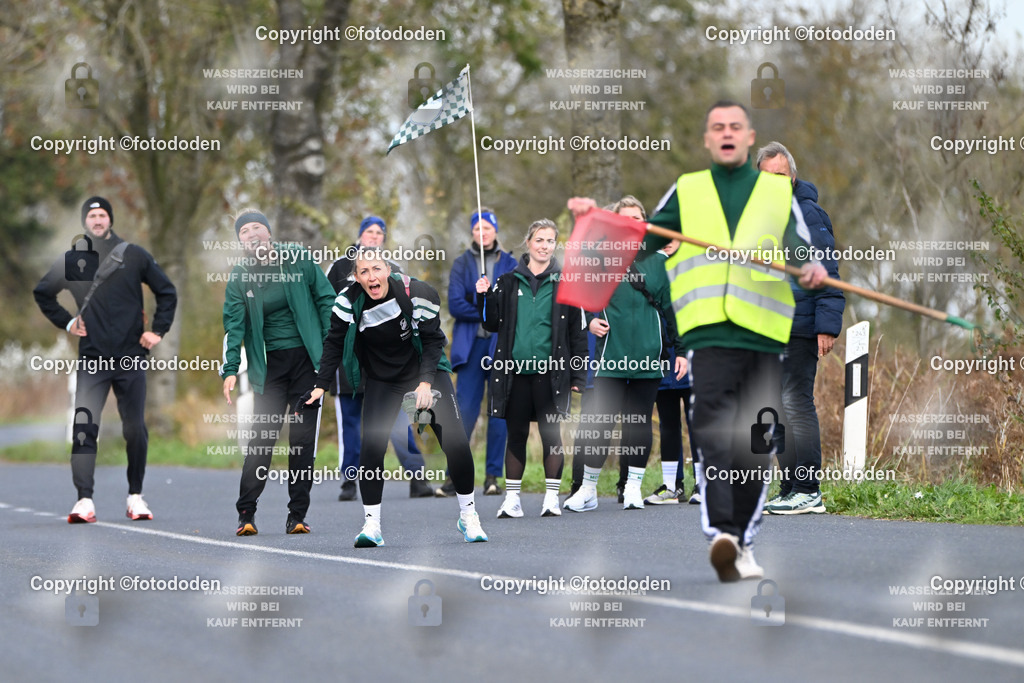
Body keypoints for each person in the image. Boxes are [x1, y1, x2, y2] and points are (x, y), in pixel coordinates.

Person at [570, 100, 827, 582]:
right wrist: (597, 225)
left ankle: (742, 538)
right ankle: (724, 534)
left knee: (756, 440)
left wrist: (810, 269)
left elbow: (800, 249)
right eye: (717, 127)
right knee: (711, 433)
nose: (726, 133)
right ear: (709, 140)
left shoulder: (775, 198)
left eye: (736, 126)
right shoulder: (688, 191)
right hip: (709, 334)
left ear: (748, 138)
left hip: (763, 334)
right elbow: (640, 239)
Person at [307, 247, 488, 546]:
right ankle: (372, 527)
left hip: (424, 370)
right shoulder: (347, 303)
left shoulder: (417, 293)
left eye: (376, 269)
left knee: (454, 442)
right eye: (364, 272)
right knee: (372, 448)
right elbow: (333, 344)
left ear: (387, 270)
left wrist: (426, 384)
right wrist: (319, 385)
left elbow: (433, 342)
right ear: (356, 277)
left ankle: (469, 516)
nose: (371, 276)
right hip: (382, 379)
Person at [33, 196, 177, 523]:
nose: (97, 220)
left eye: (102, 215)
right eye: (92, 216)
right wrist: (68, 322)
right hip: (93, 358)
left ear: (110, 219)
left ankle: (135, 496)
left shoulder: (134, 255)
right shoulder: (73, 260)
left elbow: (167, 291)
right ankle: (84, 500)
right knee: (84, 428)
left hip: (129, 357)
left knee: (135, 428)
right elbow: (43, 292)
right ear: (85, 222)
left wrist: (157, 331)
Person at [563, 197, 686, 512]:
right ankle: (588, 488)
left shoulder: (660, 262)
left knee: (639, 423)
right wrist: (588, 322)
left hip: (648, 355)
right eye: (625, 218)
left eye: (637, 217)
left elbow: (674, 312)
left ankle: (632, 486)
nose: (632, 223)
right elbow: (574, 298)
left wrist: (682, 351)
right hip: (611, 356)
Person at [221, 209, 336, 536]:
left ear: (269, 233)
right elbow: (234, 326)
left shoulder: (298, 258)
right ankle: (246, 514)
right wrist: (230, 369)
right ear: (240, 241)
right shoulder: (240, 277)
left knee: (301, 443)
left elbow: (326, 300)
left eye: (257, 227)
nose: (252, 233)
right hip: (268, 370)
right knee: (261, 442)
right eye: (244, 231)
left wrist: (328, 352)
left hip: (305, 366)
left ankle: (296, 515)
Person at [475, 219, 588, 518]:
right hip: (515, 374)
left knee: (552, 435)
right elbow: (490, 323)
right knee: (516, 435)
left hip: (552, 375)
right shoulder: (507, 281)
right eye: (539, 240)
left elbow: (577, 334)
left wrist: (578, 375)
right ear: (528, 242)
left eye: (550, 241)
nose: (545, 246)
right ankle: (512, 500)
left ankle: (551, 498)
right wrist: (484, 296)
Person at [755, 142, 845, 515]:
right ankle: (791, 487)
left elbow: (829, 273)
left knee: (796, 403)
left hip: (800, 324)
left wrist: (827, 326)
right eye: (765, 177)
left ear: (791, 176)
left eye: (779, 175)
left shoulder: (807, 214)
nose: (773, 182)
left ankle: (809, 488)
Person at [325, 215, 434, 501]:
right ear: (360, 235)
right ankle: (349, 481)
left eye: (379, 233)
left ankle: (418, 477)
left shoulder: (394, 270)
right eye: (369, 231)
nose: (374, 236)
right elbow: (329, 315)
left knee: (397, 422)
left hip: (385, 365)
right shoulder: (337, 267)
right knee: (351, 424)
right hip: (349, 364)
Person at [448, 208, 517, 496]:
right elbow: (455, 304)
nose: (482, 232)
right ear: (472, 232)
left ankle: (492, 476)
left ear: (495, 231)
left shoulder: (510, 262)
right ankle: (456, 477)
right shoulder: (462, 263)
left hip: (500, 347)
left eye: (487, 228)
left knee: (499, 414)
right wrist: (486, 307)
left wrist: (493, 309)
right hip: (471, 347)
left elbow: (512, 303)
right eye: (477, 228)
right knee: (464, 412)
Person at [646, 238, 703, 506]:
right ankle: (672, 486)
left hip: (693, 356)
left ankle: (704, 485)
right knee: (669, 423)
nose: (668, 241)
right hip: (663, 358)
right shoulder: (650, 268)